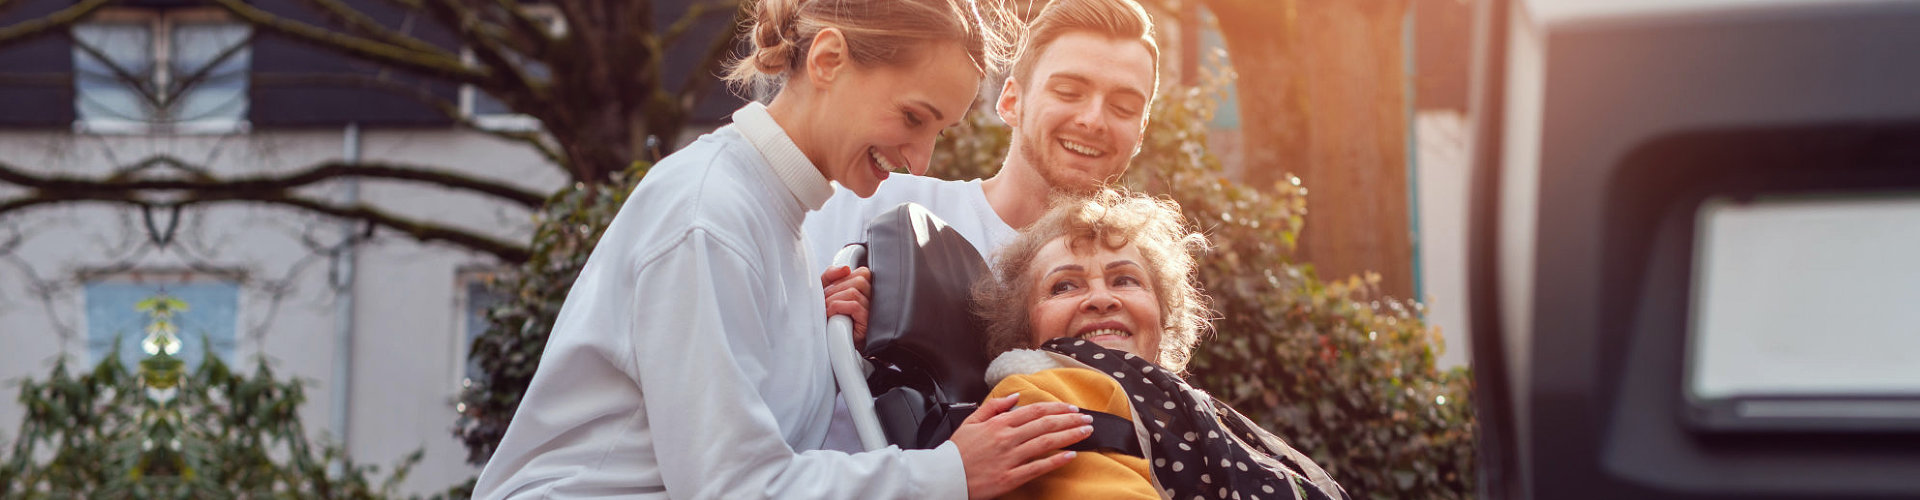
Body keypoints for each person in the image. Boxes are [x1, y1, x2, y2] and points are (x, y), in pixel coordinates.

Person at [470, 1, 1094, 498]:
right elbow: (734, 487)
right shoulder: (710, 215)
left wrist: (818, 338)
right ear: (827, 59)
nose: (919, 159)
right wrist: (948, 473)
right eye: (912, 118)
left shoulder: (776, 223)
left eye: (937, 131)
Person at [808, 0, 1163, 451]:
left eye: (1123, 105)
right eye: (1069, 91)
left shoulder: (1126, 292)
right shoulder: (872, 201)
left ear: (1142, 129)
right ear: (1011, 101)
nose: (1093, 119)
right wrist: (833, 322)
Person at [974, 189, 1350, 500]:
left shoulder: (1182, 408)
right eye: (1065, 286)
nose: (1102, 299)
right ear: (1023, 330)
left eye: (1124, 280)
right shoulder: (1036, 393)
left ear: (1161, 314)